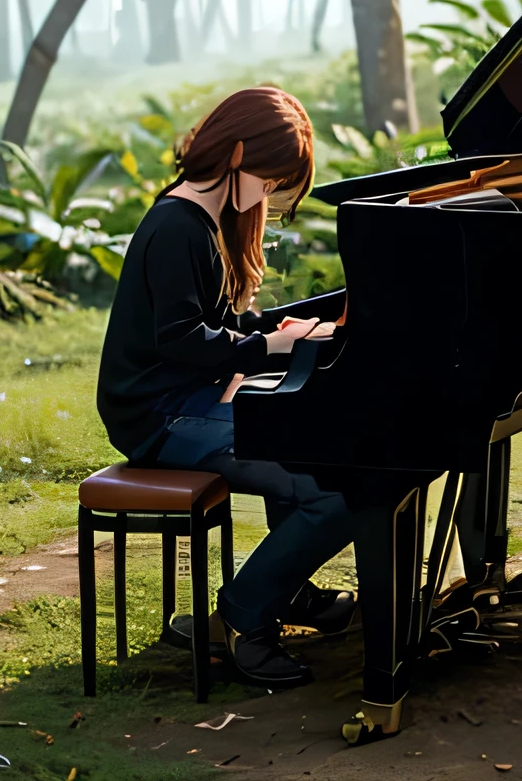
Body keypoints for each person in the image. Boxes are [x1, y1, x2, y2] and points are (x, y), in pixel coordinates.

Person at [96, 86, 351, 689]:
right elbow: (182, 339)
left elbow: (214, 326)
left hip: (186, 405)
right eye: (268, 181)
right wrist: (268, 346)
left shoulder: (198, 220)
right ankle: (242, 618)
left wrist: (276, 328)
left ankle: (283, 594)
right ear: (237, 154)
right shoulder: (177, 226)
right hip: (159, 418)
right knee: (332, 489)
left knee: (312, 450)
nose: (267, 196)